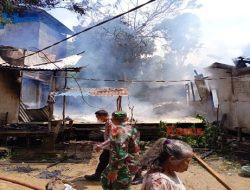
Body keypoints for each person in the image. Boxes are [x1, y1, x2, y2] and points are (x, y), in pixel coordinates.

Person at [99, 111, 140, 190]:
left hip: (123, 164)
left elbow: (120, 153)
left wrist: (114, 170)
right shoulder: (133, 129)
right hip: (133, 161)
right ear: (126, 118)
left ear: (113, 120)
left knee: (116, 183)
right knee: (121, 183)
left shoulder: (118, 131)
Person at [84, 110, 112, 181]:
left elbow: (112, 137)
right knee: (103, 159)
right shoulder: (108, 122)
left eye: (97, 117)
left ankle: (98, 175)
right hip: (109, 146)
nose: (97, 119)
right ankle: (98, 175)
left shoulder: (110, 123)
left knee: (104, 160)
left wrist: (101, 145)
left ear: (102, 116)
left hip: (111, 147)